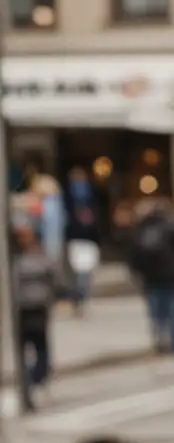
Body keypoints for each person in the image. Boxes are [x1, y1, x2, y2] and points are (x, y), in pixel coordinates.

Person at [129, 197, 174, 355]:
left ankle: (159, 340)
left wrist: (136, 273)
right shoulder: (173, 226)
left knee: (156, 313)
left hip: (151, 279)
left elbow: (134, 255)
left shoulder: (141, 229)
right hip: (173, 277)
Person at [11, 217, 56, 409]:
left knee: (39, 349)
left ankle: (33, 381)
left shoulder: (32, 256)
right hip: (23, 309)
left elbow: (54, 275)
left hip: (34, 308)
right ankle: (29, 386)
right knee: (30, 350)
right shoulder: (18, 257)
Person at [65, 165, 102, 313]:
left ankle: (81, 297)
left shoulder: (92, 194)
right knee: (79, 270)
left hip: (89, 238)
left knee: (85, 270)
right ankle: (79, 297)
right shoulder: (68, 197)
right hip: (76, 237)